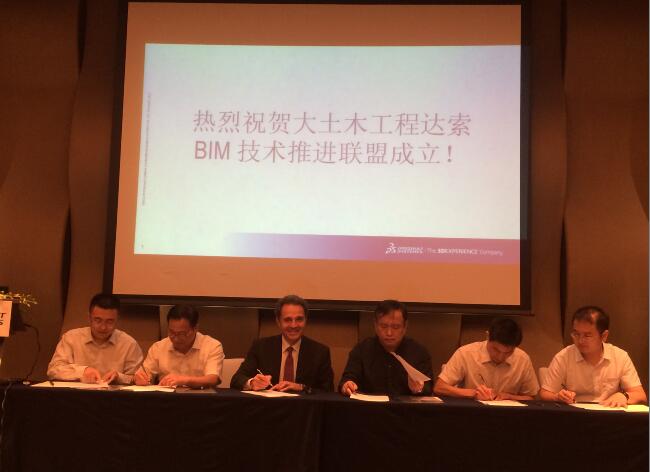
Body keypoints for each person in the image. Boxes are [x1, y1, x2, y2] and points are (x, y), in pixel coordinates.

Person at [539, 306, 647, 407]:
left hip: (609, 413)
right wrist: (557, 397)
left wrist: (624, 396)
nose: (580, 340)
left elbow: (640, 395)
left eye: (587, 335)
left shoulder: (620, 356)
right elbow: (544, 393)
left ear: (604, 336)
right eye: (576, 334)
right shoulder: (564, 356)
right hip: (575, 413)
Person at [230, 295, 333, 393]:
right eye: (288, 320)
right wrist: (252, 383)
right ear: (278, 322)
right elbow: (237, 379)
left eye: (299, 319)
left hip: (303, 405)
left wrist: (301, 387)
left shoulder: (320, 352)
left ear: (306, 320)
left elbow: (328, 391)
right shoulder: (261, 347)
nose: (293, 325)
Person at [339, 299, 433, 396]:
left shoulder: (419, 352)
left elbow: (428, 387)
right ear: (375, 325)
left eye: (395, 327)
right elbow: (348, 378)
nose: (389, 333)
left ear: (405, 327)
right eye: (383, 326)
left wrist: (419, 388)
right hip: (369, 405)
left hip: (405, 405)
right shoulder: (362, 349)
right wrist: (348, 384)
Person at [434, 317, 539, 400]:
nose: (501, 357)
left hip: (507, 416)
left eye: (508, 352)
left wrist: (508, 396)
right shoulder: (466, 353)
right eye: (496, 350)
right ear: (487, 336)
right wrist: (473, 393)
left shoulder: (522, 359)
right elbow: (439, 387)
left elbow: (531, 397)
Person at [47, 293, 143, 384]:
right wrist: (83, 371)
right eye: (98, 320)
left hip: (114, 395)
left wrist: (119, 377)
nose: (103, 327)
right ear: (89, 318)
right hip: (76, 394)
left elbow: (137, 378)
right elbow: (53, 370)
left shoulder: (129, 344)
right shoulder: (71, 338)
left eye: (109, 322)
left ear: (117, 319)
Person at [134, 304, 224, 388]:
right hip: (167, 397)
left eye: (182, 334)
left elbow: (213, 378)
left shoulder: (212, 346)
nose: (176, 339)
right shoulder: (158, 347)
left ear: (196, 328)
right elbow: (145, 373)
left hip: (201, 398)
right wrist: (140, 378)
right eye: (171, 332)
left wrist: (185, 380)